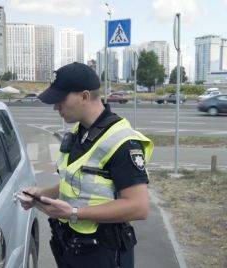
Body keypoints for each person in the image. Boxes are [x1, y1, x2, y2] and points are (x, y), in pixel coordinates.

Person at [19, 62, 154, 268]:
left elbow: (138, 207)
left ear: (84, 96)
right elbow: (77, 183)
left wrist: (73, 213)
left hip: (104, 253)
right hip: (73, 248)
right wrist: (41, 194)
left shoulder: (122, 142)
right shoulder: (78, 132)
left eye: (60, 99)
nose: (56, 106)